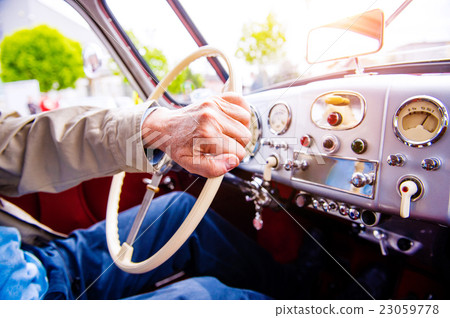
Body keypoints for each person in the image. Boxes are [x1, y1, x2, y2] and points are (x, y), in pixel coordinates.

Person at [0, 93, 318, 300]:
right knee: (209, 297)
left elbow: (13, 146)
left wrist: (155, 129)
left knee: (179, 210)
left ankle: (296, 293)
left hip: (39, 262)